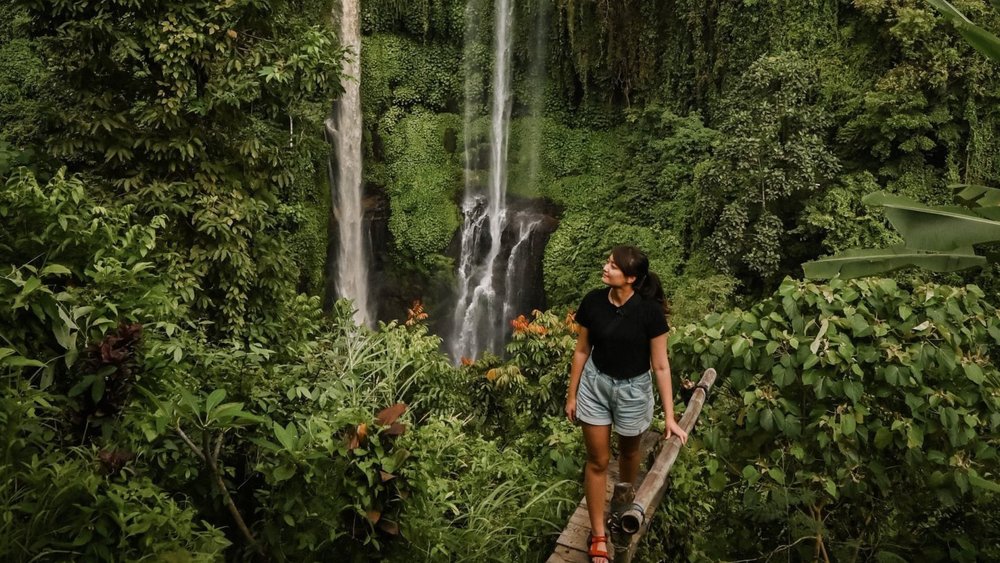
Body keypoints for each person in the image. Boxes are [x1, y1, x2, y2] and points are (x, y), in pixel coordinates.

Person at [564, 245, 688, 563]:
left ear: (631, 278)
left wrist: (671, 418)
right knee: (598, 461)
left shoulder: (650, 313)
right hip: (595, 385)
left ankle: (621, 508)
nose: (605, 268)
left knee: (630, 453)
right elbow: (581, 351)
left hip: (634, 390)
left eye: (613, 266)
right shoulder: (593, 301)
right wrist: (572, 394)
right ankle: (598, 534)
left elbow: (660, 366)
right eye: (607, 262)